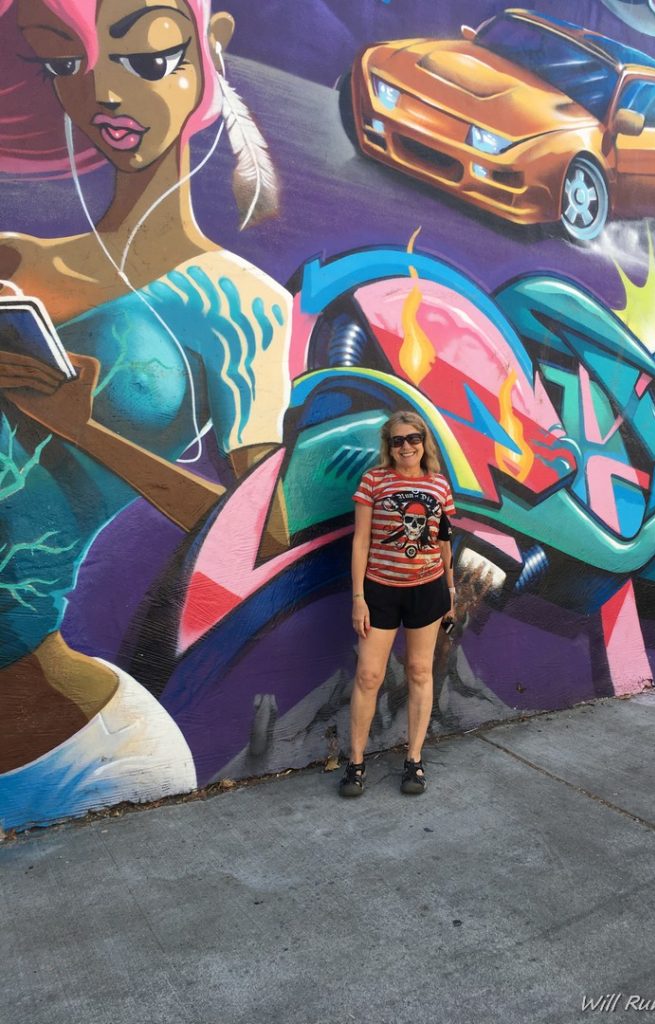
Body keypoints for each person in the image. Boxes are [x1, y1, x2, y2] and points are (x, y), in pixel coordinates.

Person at [0, 0, 291, 827]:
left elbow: (258, 544)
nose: (104, 97)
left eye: (151, 58)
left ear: (213, 51)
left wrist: (81, 426)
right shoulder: (15, 261)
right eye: (65, 64)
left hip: (71, 749)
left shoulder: (242, 309)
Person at [341, 411, 456, 797]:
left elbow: (443, 542)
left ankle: (414, 760)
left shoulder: (439, 484)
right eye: (397, 440)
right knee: (368, 676)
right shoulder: (374, 480)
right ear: (387, 446)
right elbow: (360, 541)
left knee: (421, 672)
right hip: (380, 590)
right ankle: (355, 764)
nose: (406, 446)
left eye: (413, 438)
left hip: (428, 589)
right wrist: (358, 598)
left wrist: (451, 593)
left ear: (424, 442)